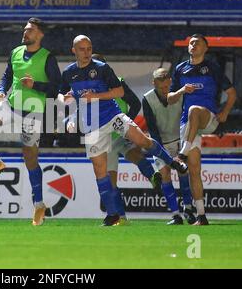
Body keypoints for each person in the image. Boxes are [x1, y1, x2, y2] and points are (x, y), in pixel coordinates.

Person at [60, 35, 188, 227]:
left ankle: (172, 162)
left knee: (143, 141)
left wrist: (96, 96)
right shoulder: (69, 73)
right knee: (100, 171)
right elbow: (61, 94)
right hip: (92, 127)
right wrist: (65, 100)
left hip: (113, 117)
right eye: (82, 49)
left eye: (89, 48)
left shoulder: (102, 68)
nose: (86, 53)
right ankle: (113, 215)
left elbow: (119, 92)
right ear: (73, 50)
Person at [0, 17, 62, 226]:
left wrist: (35, 84)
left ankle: (39, 205)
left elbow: (57, 88)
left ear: (40, 35)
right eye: (25, 29)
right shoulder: (16, 52)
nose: (26, 32)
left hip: (33, 114)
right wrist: (1, 90)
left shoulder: (48, 58)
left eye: (30, 30)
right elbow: (7, 75)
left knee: (30, 159)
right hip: (10, 106)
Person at [168, 34, 237, 225]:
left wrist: (224, 113)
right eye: (191, 43)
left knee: (194, 109)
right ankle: (201, 215)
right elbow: (170, 98)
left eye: (198, 43)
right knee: (194, 170)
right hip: (189, 125)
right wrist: (182, 91)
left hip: (208, 118)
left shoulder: (212, 68)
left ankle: (181, 153)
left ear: (206, 48)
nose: (193, 45)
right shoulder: (181, 69)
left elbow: (232, 93)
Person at [143, 67, 196, 225]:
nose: (165, 90)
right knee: (165, 176)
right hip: (160, 143)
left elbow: (186, 118)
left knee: (183, 174)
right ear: (154, 83)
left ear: (170, 82)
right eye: (161, 87)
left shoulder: (179, 95)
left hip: (179, 140)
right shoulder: (147, 99)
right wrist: (163, 152)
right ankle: (175, 215)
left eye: (167, 87)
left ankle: (188, 209)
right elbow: (152, 128)